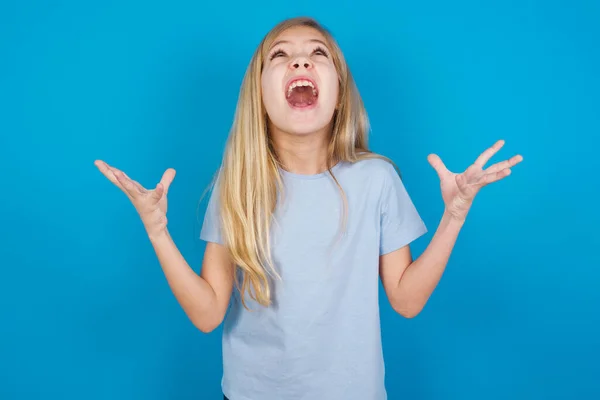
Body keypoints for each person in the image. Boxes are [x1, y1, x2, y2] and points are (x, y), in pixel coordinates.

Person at [95, 16, 522, 400]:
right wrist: (156, 230)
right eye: (281, 55)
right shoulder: (238, 183)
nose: (300, 62)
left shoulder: (376, 179)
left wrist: (454, 215)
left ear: (338, 96)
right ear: (259, 96)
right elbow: (207, 314)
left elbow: (407, 300)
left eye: (317, 54)